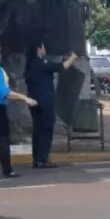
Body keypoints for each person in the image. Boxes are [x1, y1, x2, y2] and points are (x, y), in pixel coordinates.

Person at [0, 41, 38, 178]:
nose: (0, 56)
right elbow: (4, 92)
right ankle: (7, 170)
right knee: (3, 138)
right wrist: (25, 98)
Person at [24, 41, 78, 169]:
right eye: (43, 47)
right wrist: (74, 56)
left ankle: (36, 159)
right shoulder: (42, 63)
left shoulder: (30, 66)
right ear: (38, 49)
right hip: (45, 102)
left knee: (37, 130)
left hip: (33, 102)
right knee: (46, 130)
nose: (45, 49)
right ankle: (43, 159)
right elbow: (63, 66)